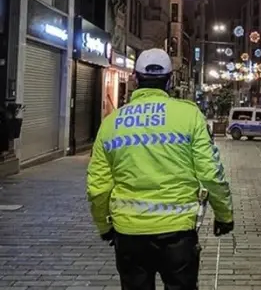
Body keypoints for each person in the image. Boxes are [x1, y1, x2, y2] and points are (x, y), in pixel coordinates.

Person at [86, 48, 234, 289]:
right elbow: (210, 173)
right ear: (170, 79)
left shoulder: (111, 122)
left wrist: (104, 226)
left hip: (129, 232)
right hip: (178, 233)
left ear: (135, 78)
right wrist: (224, 215)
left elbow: (98, 186)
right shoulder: (189, 115)